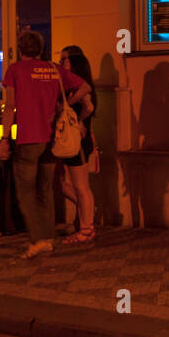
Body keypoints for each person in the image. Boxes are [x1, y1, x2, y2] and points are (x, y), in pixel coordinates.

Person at [0, 30, 89, 260]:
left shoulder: (15, 70)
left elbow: (10, 106)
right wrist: (65, 104)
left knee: (26, 191)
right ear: (40, 48)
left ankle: (37, 239)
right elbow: (85, 87)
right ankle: (47, 239)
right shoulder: (53, 69)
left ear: (21, 49)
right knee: (45, 190)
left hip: (28, 138)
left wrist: (4, 138)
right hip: (51, 139)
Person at [56, 45, 96, 245]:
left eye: (65, 59)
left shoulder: (80, 86)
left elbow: (89, 106)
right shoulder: (74, 84)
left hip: (77, 140)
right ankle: (85, 220)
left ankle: (87, 228)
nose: (61, 63)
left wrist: (79, 120)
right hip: (77, 140)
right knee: (70, 185)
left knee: (81, 187)